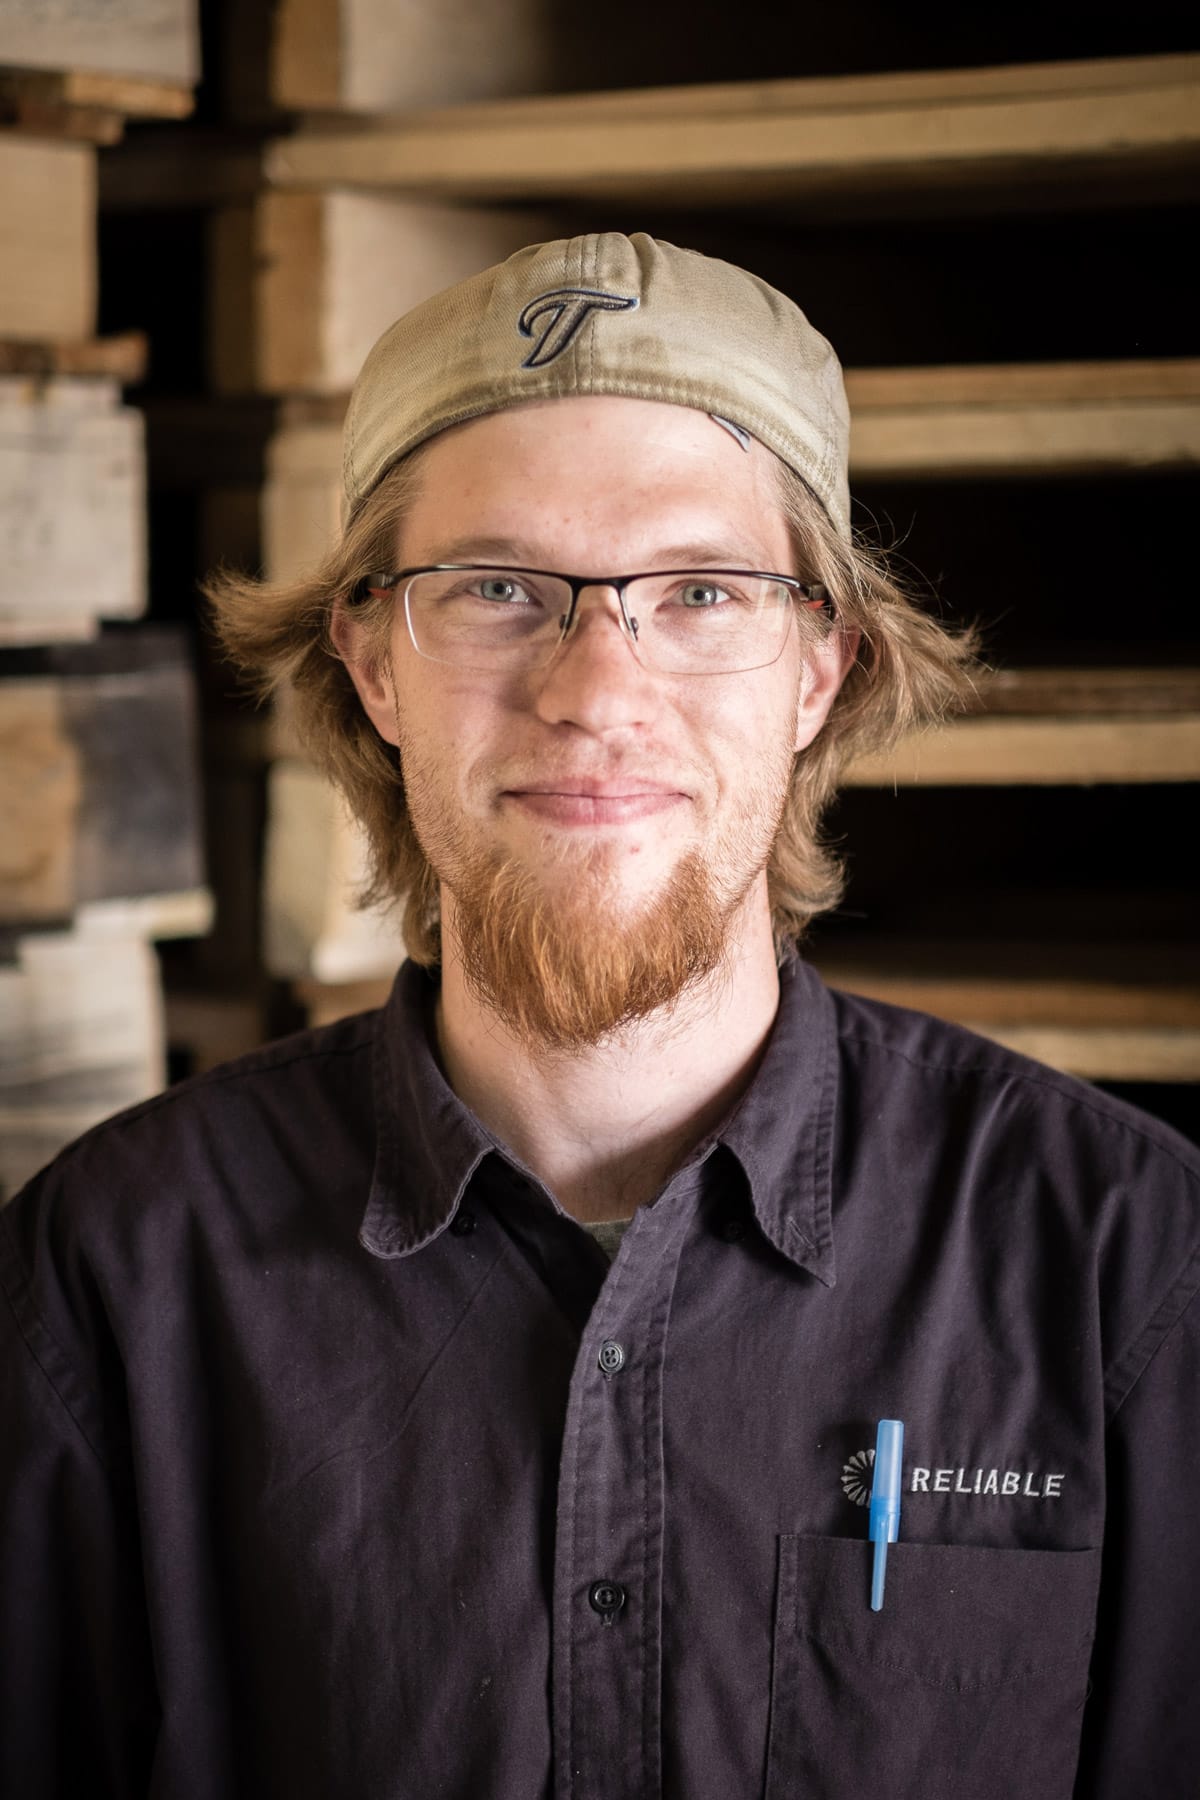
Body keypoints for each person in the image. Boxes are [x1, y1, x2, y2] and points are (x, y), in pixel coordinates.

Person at [1, 232, 1196, 1799]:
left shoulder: (1128, 1267)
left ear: (820, 670)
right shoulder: (111, 1278)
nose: (595, 688)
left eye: (700, 591)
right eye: (497, 588)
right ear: (369, 660)